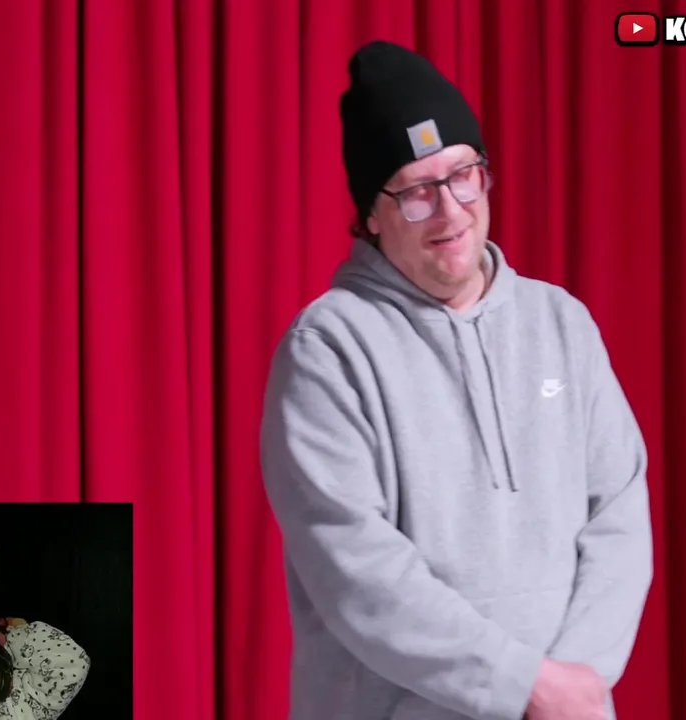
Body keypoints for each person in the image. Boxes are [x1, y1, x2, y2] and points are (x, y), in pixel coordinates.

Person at [260, 40, 653, 720]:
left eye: (463, 175)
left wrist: (577, 681)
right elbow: (356, 568)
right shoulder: (327, 348)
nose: (450, 211)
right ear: (371, 213)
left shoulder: (561, 323)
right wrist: (527, 685)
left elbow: (618, 515)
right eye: (417, 191)